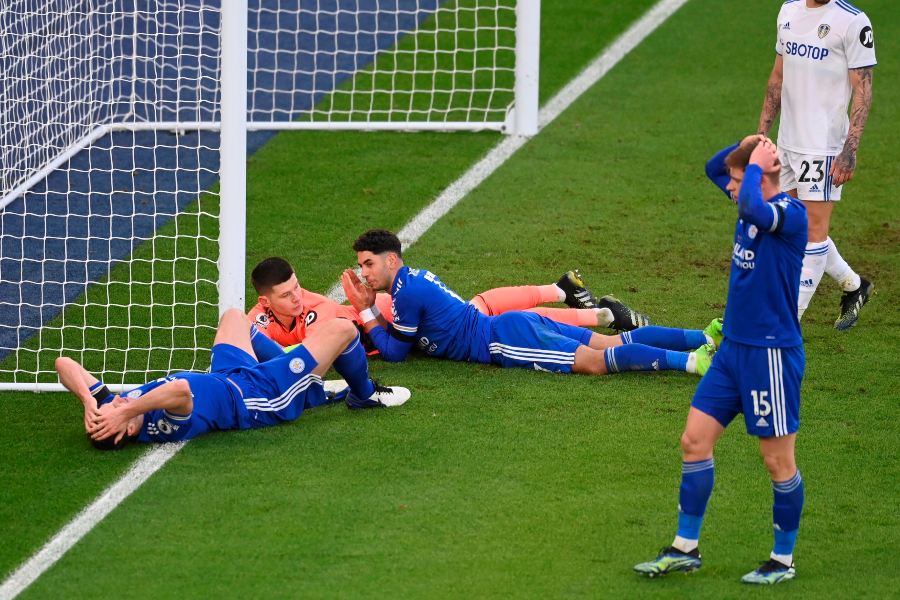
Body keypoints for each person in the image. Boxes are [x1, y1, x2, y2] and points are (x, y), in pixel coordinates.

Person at [634, 137, 807, 584]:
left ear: (764, 177)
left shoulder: (789, 216)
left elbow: (752, 206)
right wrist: (752, 144)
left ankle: (783, 560)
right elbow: (714, 167)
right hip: (732, 351)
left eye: (738, 181)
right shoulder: (750, 195)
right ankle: (685, 548)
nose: (729, 188)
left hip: (770, 354)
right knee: (694, 441)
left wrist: (753, 168)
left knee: (777, 462)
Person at [341, 229, 721, 378]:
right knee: (611, 343)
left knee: (595, 364)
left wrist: (365, 308)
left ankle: (692, 362)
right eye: (361, 266)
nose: (365, 273)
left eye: (368, 264)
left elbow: (393, 353)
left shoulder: (406, 293)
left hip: (500, 340)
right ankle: (702, 336)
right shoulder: (414, 279)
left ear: (391, 259)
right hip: (512, 323)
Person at [57, 308, 410, 449]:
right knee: (342, 329)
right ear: (128, 430)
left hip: (229, 375)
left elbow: (64, 364)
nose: (116, 400)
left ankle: (310, 381)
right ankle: (362, 394)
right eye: (116, 409)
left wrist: (91, 401)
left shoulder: (115, 411)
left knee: (234, 318)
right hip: (259, 397)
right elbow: (179, 390)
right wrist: (126, 409)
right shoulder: (161, 425)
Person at [757, 0, 876, 329]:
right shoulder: (789, 12)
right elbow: (778, 77)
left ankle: (787, 323)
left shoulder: (853, 22)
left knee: (812, 231)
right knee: (794, 228)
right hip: (788, 143)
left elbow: (862, 90)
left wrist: (850, 148)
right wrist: (762, 132)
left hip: (823, 147)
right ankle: (854, 286)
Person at [247, 257, 651, 352]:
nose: (298, 297)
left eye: (297, 287)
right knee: (484, 308)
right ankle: (564, 291)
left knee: (486, 316)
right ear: (266, 301)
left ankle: (600, 314)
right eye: (287, 295)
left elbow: (306, 355)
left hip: (400, 320)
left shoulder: (317, 311)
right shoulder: (257, 318)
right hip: (394, 321)